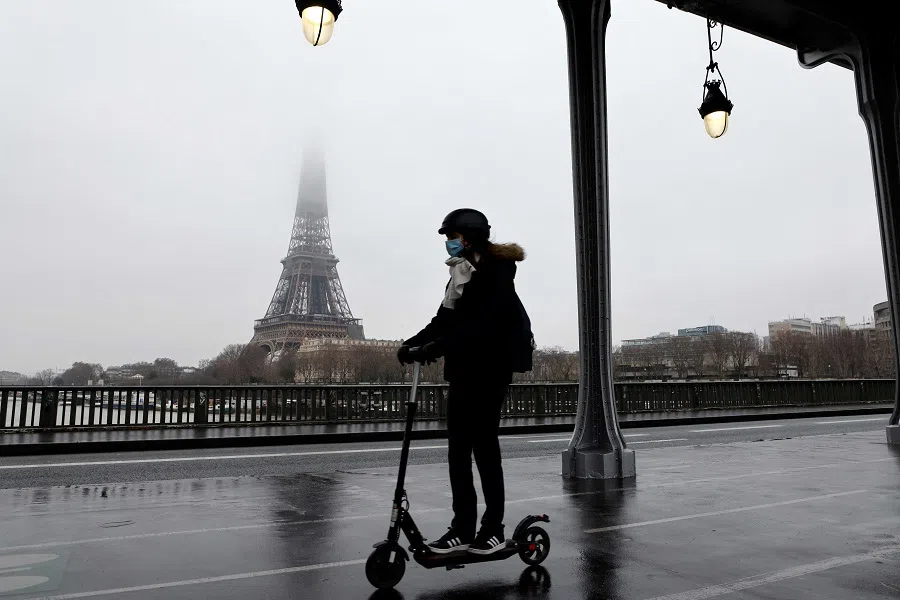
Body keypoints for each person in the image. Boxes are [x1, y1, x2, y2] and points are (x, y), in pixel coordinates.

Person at [398, 208, 534, 556]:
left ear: (469, 236)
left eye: (451, 237)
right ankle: (462, 528)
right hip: (462, 370)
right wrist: (410, 344)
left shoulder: (497, 271)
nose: (448, 243)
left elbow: (484, 325)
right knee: (458, 450)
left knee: (484, 448)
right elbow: (443, 319)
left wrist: (435, 347)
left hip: (490, 369)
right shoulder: (459, 272)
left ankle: (492, 529)